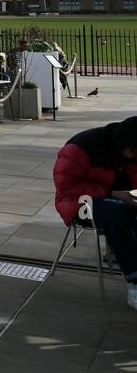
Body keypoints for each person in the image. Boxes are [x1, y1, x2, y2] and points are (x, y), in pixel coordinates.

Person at [53, 116, 137, 311]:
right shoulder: (81, 147)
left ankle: (129, 259)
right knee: (117, 213)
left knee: (128, 213)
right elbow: (66, 186)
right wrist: (113, 194)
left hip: (117, 198)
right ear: (127, 146)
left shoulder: (128, 152)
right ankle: (134, 281)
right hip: (78, 202)